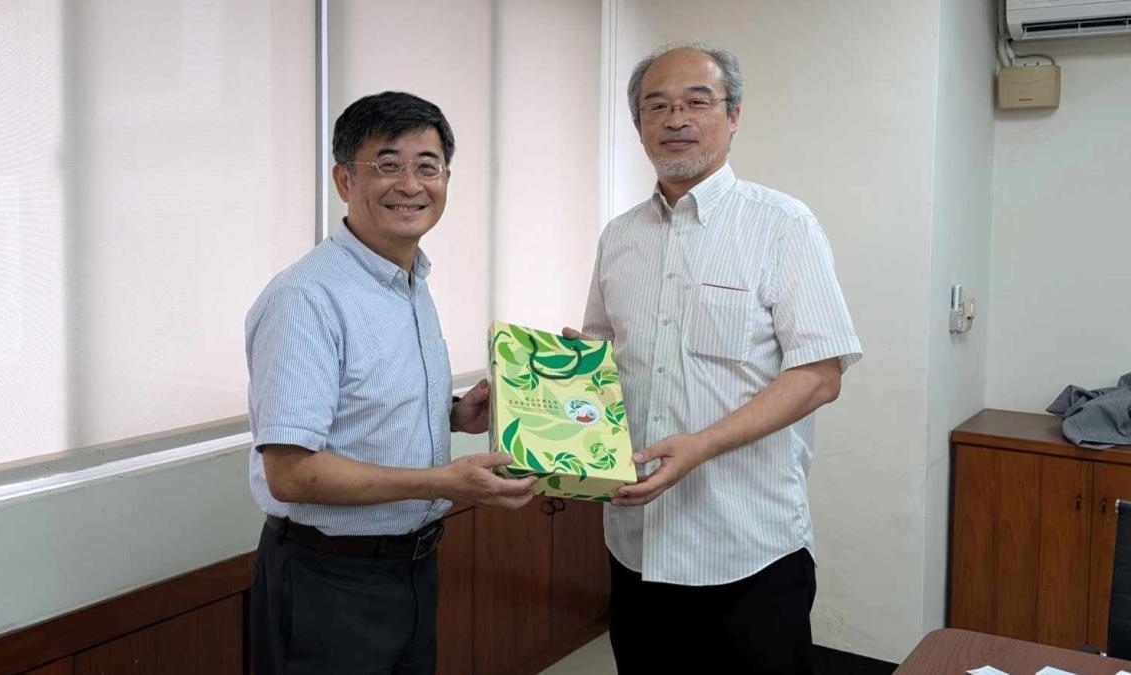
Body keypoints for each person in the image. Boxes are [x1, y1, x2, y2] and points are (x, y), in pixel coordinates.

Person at [568, 42, 863, 674]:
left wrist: (699, 445)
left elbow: (819, 376)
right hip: (635, 550)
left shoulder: (783, 224)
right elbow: (601, 356)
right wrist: (559, 376)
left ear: (733, 116)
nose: (676, 119)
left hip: (747, 551)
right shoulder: (619, 238)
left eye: (697, 102)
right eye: (657, 105)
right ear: (639, 125)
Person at [245, 91, 536, 675]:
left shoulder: (410, 279)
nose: (410, 183)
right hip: (328, 582)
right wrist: (445, 481)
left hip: (413, 569)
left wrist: (455, 413)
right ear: (344, 180)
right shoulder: (307, 298)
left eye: (427, 165)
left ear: (446, 178)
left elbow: (361, 403)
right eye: (387, 163)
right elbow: (291, 472)